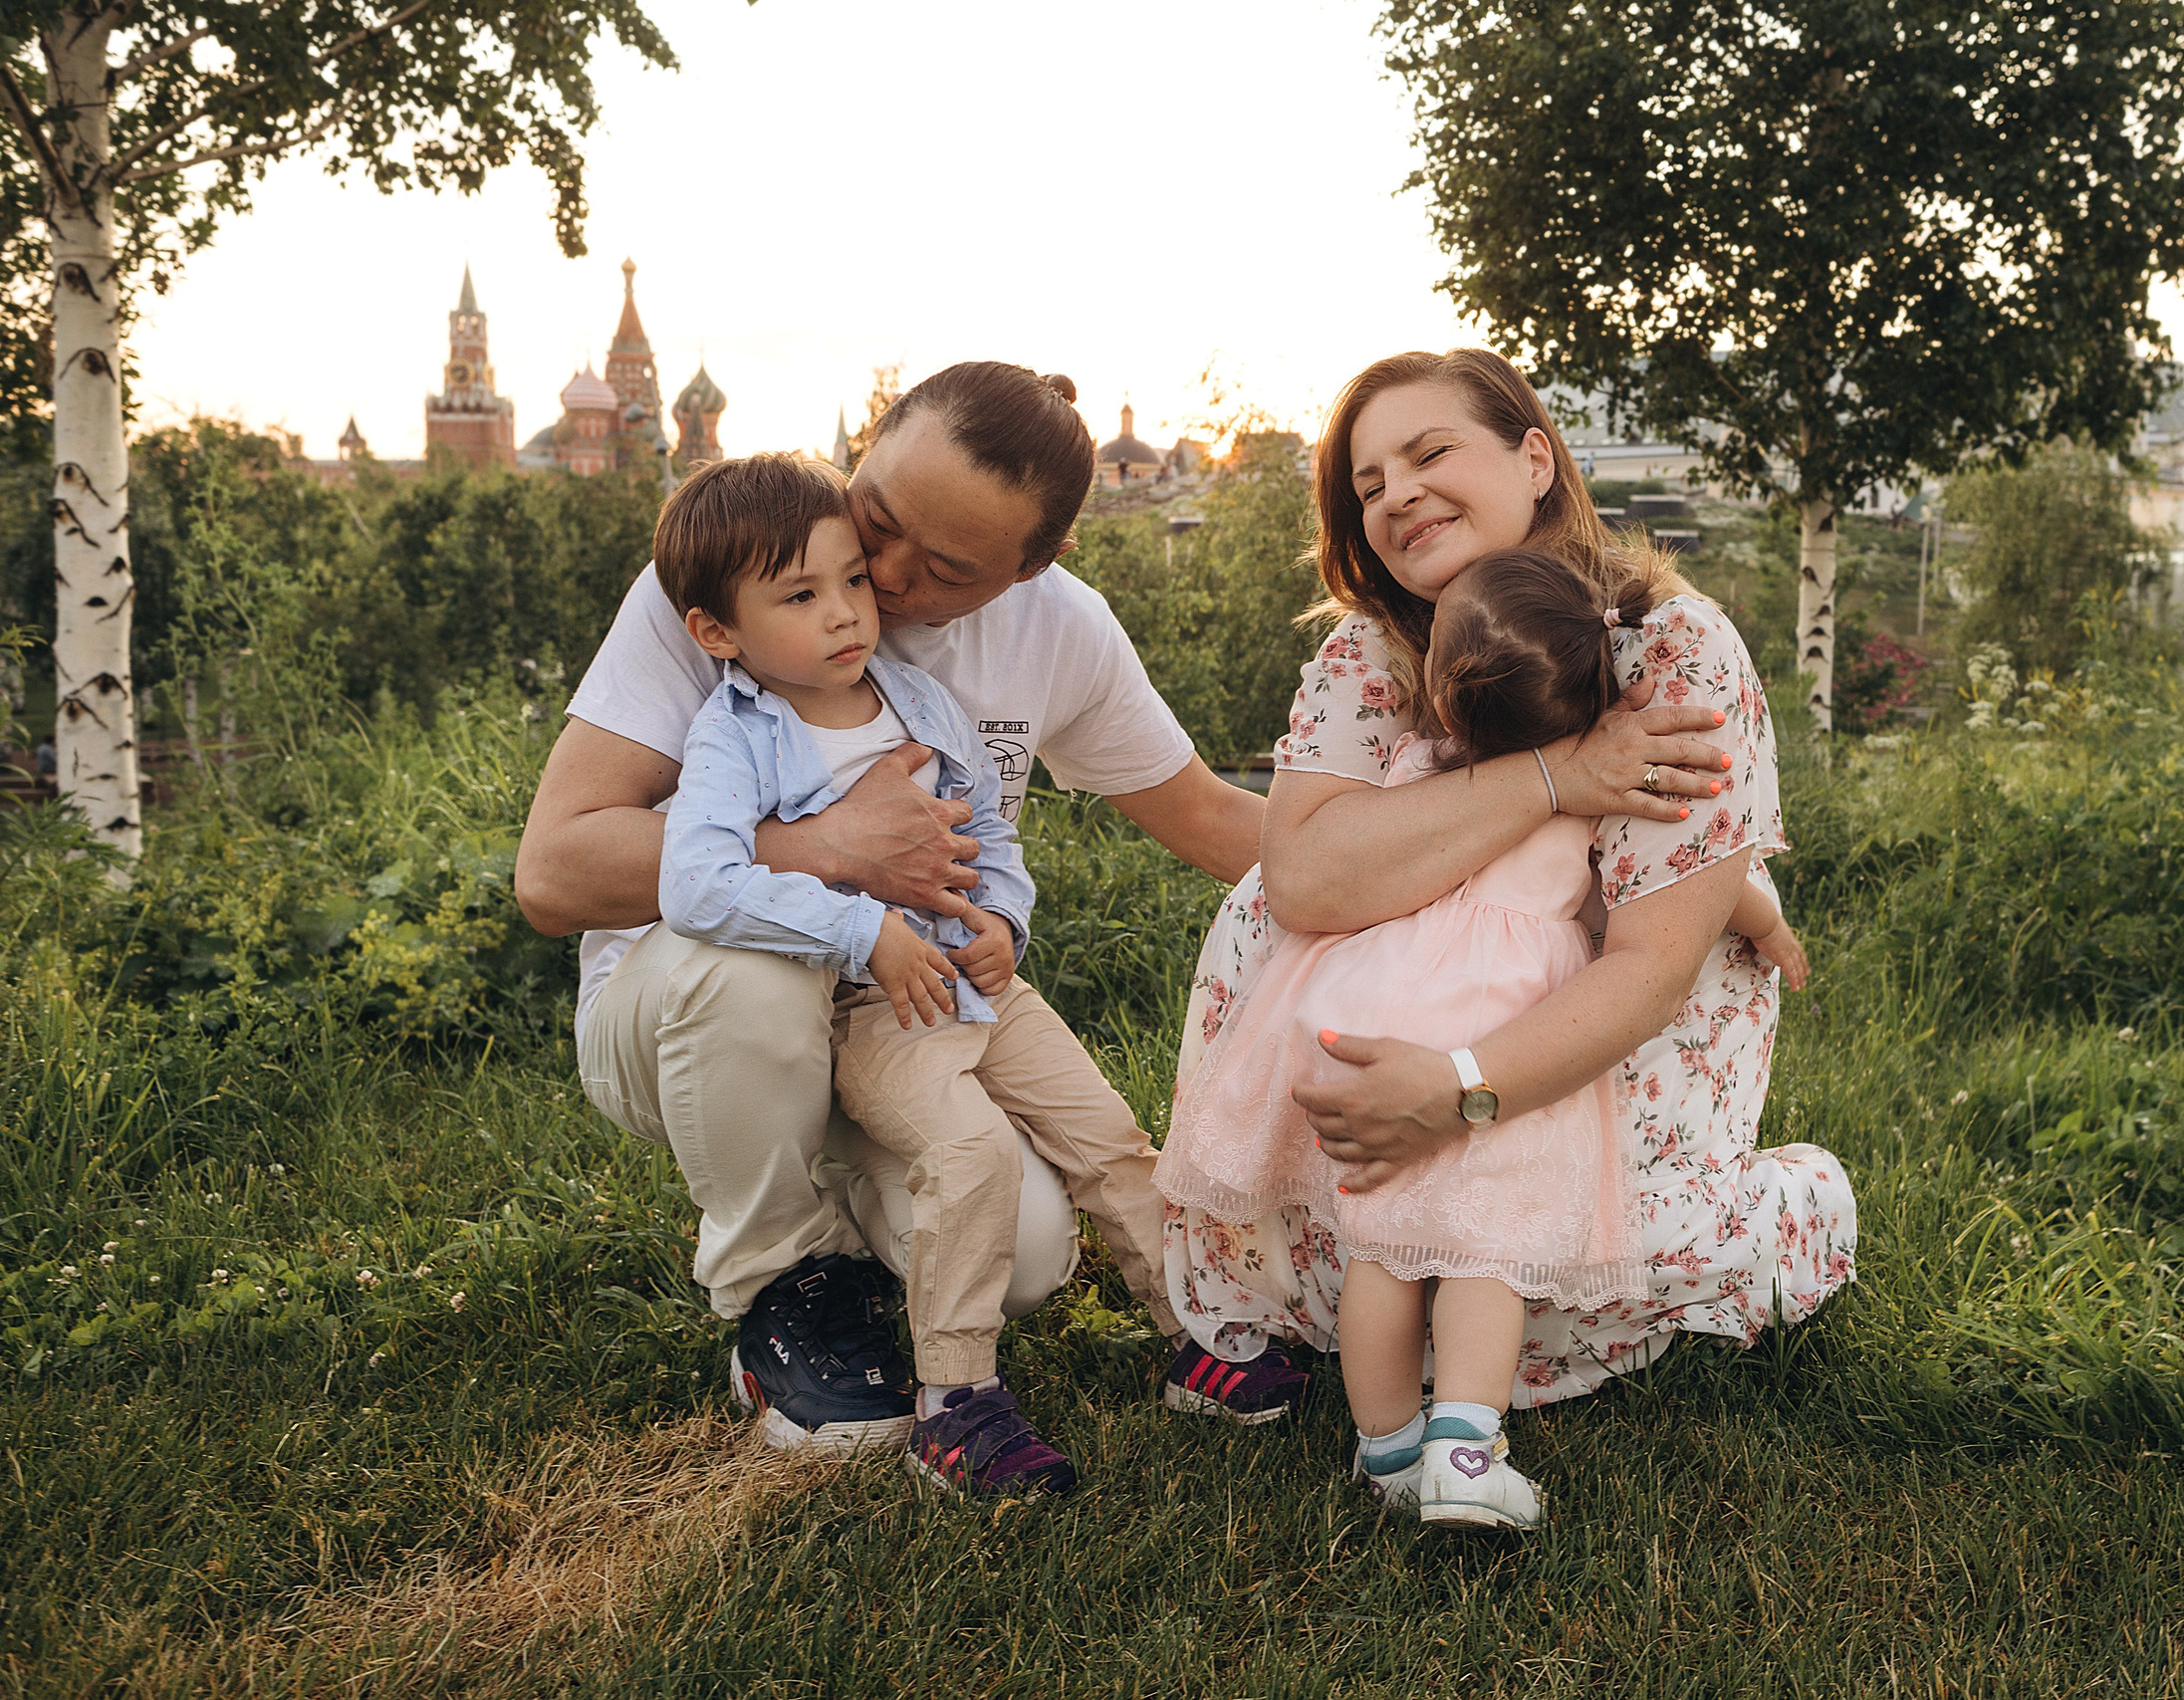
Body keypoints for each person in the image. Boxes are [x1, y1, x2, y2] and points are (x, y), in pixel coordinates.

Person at [520, 361, 1732, 1450]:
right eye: (877, 521)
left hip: (904, 1009)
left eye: (942, 569)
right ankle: (783, 1288)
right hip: (692, 1012)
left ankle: (866, 1220)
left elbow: (1216, 821)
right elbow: (556, 872)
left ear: (1026, 572)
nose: (878, 582)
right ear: (869, 446)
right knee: (752, 981)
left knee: (1032, 1259)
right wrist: (824, 847)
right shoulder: (742, 573)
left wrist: (1571, 855)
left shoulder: (1056, 633)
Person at [1160, 350, 1854, 1412]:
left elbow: (1652, 963)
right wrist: (1556, 777)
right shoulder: (1367, 654)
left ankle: (1778, 1209)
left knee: (1564, 1279)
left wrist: (1456, 1094)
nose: (1397, 494)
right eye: (1368, 484)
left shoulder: (1669, 646)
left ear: (1535, 458)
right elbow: (1302, 881)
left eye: (1429, 452)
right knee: (1259, 903)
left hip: (1585, 1054)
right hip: (1371, 1052)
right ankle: (1319, 1280)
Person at [650, 451, 1181, 1495]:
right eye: (801, 597)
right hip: (872, 1006)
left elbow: (987, 826)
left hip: (982, 983)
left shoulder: (914, 700)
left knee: (1112, 1141)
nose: (848, 612)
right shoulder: (737, 737)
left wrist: (1002, 920)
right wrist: (861, 932)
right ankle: (957, 1404)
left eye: (852, 579)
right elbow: (696, 882)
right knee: (971, 1151)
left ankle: (1206, 1334)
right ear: (720, 632)